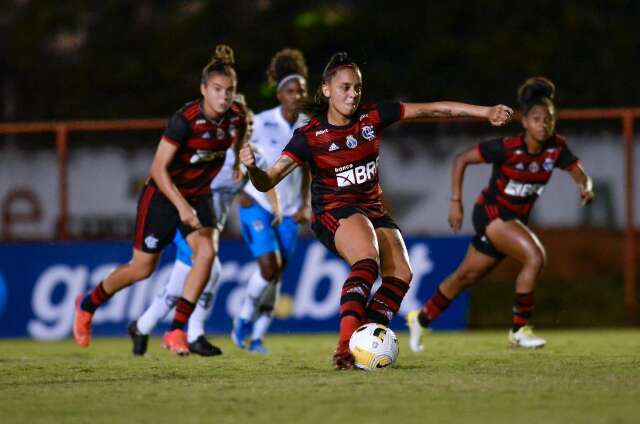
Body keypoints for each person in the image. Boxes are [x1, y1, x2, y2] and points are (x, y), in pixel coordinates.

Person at [238, 52, 513, 369]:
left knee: (401, 275)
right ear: (327, 90)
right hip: (333, 211)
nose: (352, 94)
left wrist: (486, 111)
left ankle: (362, 342)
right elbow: (267, 179)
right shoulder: (309, 136)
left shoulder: (372, 116)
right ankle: (344, 349)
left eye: (357, 88)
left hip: (371, 207)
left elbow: (434, 108)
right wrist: (252, 170)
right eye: (344, 87)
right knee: (367, 259)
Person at [73, 45, 248, 356]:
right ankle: (87, 305)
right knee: (142, 269)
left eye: (229, 90)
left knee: (207, 252)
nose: (224, 96)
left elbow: (240, 135)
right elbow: (158, 168)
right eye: (217, 90)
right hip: (164, 196)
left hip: (198, 195)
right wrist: (181, 206)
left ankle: (177, 330)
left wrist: (237, 162)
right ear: (204, 89)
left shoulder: (236, 117)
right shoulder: (185, 120)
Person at [406, 77, 594, 351]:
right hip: (492, 213)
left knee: (465, 277)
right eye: (537, 118)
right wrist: (455, 201)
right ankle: (519, 330)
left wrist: (586, 188)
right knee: (534, 256)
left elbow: (581, 175)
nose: (543, 124)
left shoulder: (556, 149)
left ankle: (420, 318)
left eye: (549, 119)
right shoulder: (507, 148)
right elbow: (462, 159)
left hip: (512, 221)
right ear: (525, 122)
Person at [127, 142, 270, 356]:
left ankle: (141, 327)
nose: (243, 130)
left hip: (209, 229)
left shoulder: (257, 157)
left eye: (249, 125)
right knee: (210, 270)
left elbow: (262, 186)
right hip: (187, 223)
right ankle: (194, 335)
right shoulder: (211, 155)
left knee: (180, 283)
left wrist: (273, 205)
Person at [231, 48, 311, 354]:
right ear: (279, 94)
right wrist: (241, 188)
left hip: (289, 212)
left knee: (276, 275)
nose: (297, 95)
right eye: (291, 90)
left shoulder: (308, 125)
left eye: (301, 90)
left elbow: (307, 171)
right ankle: (242, 319)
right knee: (269, 267)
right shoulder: (261, 123)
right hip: (259, 205)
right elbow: (244, 159)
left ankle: (259, 337)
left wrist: (304, 205)